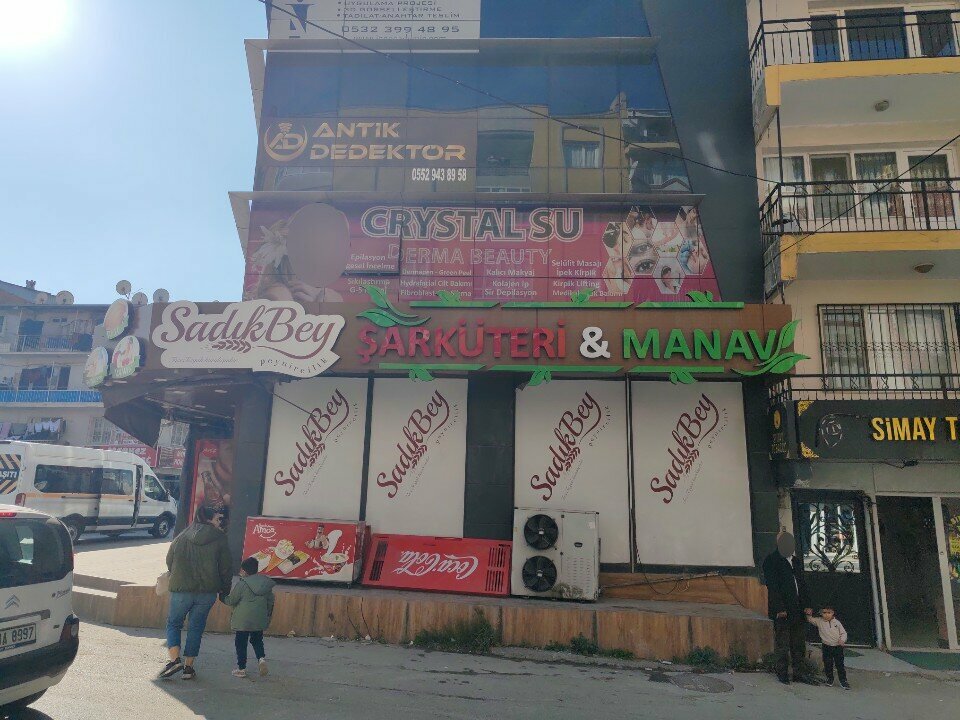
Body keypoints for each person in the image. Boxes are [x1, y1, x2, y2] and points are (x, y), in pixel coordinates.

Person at [159, 505, 232, 681]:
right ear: (209, 519)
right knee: (196, 628)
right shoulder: (220, 538)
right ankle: (188, 668)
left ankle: (175, 660)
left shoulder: (181, 536)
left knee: (174, 623)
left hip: (181, 590)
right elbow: (226, 569)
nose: (218, 521)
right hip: (207, 592)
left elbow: (169, 561)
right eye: (216, 518)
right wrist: (225, 590)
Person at [762, 531, 813, 684]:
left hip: (798, 608)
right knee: (782, 643)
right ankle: (782, 672)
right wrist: (779, 608)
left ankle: (799, 672)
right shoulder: (772, 560)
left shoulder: (796, 561)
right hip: (783, 610)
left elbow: (802, 584)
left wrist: (807, 605)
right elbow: (773, 586)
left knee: (798, 643)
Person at [224, 557, 276, 678]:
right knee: (257, 640)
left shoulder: (242, 584)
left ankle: (241, 669)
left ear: (244, 570)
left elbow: (232, 600)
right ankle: (261, 659)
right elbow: (270, 602)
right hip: (259, 618)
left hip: (243, 620)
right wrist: (267, 616)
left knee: (241, 643)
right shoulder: (265, 584)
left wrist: (223, 597)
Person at [806, 606, 850, 689]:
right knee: (827, 663)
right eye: (824, 613)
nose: (826, 615)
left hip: (837, 646)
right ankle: (830, 679)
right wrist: (808, 614)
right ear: (821, 613)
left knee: (840, 664)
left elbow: (843, 633)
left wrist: (842, 640)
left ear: (833, 613)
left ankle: (843, 680)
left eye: (829, 613)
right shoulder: (819, 621)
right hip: (826, 646)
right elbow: (810, 620)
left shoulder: (837, 623)